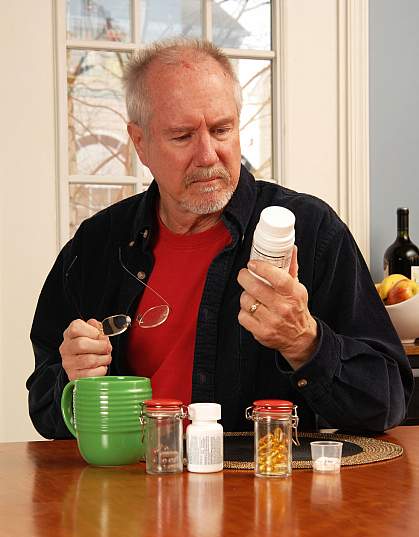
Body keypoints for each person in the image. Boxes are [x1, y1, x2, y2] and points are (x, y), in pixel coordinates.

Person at [27, 38, 413, 439]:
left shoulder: (313, 230)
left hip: (263, 489)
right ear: (140, 142)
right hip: (130, 489)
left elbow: (387, 404)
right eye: (182, 136)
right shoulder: (97, 244)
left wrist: (303, 340)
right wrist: (71, 382)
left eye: (221, 129)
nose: (208, 154)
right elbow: (44, 411)